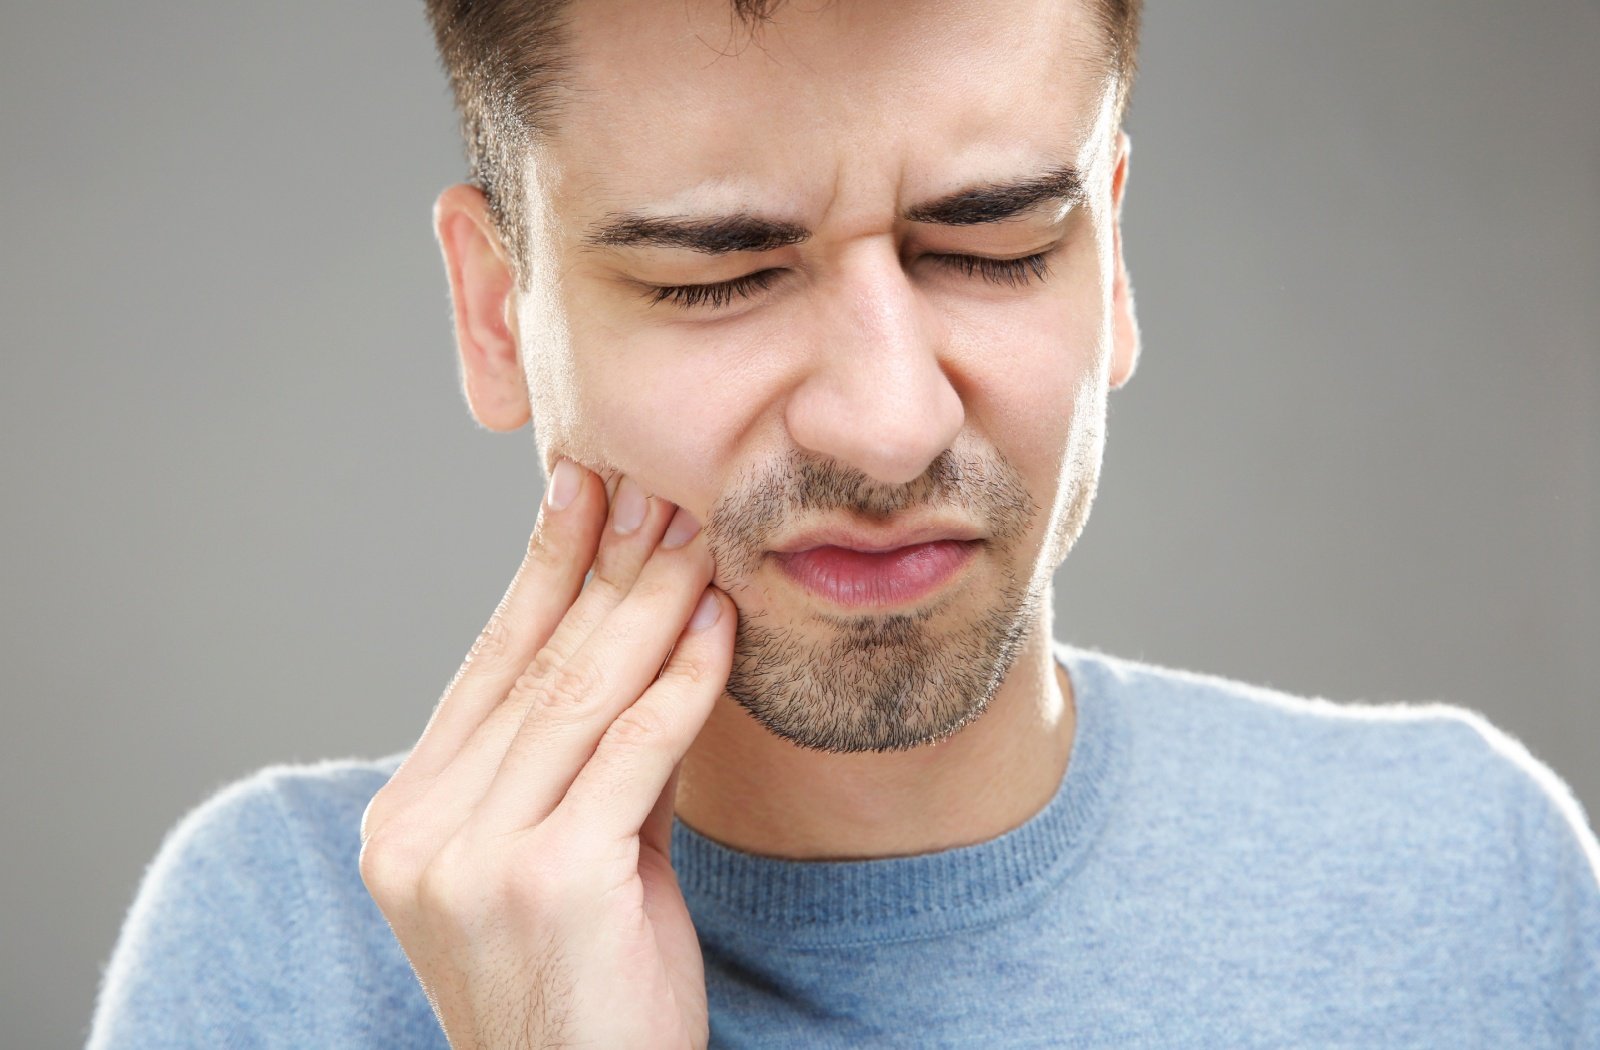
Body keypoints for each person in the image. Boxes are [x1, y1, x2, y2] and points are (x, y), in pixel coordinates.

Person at [86, 1, 1599, 1046]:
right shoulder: (279, 952)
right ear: (497, 313)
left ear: (1114, 261)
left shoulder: (1470, 880)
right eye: (712, 278)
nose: (889, 422)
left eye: (997, 246)